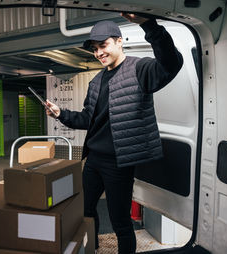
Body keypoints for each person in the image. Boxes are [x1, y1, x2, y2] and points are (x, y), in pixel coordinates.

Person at [45, 13, 183, 254]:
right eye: (95, 49)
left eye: (104, 45)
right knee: (85, 210)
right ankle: (94, 248)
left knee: (120, 221)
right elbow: (88, 119)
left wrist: (149, 25)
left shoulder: (140, 69)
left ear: (120, 41)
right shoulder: (96, 81)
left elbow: (171, 64)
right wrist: (61, 113)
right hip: (93, 160)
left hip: (119, 162)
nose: (99, 53)